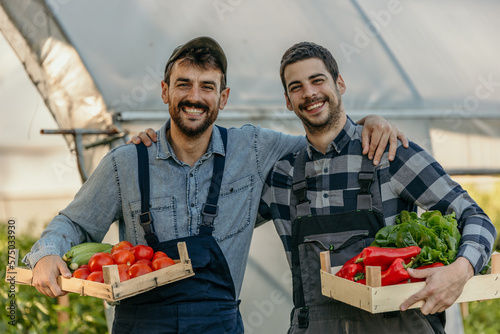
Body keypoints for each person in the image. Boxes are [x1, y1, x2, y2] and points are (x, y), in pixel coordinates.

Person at [24, 36, 403, 333]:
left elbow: (322, 139)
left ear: (223, 97)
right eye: (183, 84)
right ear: (164, 91)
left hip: (218, 325)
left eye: (207, 87)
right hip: (141, 326)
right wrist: (46, 254)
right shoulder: (127, 162)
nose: (194, 97)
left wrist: (369, 121)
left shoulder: (253, 149)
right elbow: (73, 223)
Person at [258, 41, 497, 333]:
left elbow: (474, 216)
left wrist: (462, 269)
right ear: (287, 100)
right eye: (296, 87)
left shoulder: (390, 155)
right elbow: (225, 221)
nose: (309, 93)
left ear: (340, 84)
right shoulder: (280, 177)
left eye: (317, 80)